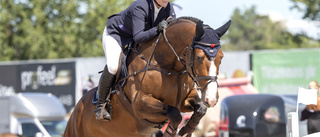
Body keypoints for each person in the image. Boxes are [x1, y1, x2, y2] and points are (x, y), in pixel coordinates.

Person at [95, 0, 176, 120]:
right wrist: (156, 29)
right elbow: (138, 37)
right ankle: (101, 105)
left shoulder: (168, 7)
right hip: (117, 34)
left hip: (135, 38)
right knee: (113, 66)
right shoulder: (140, 6)